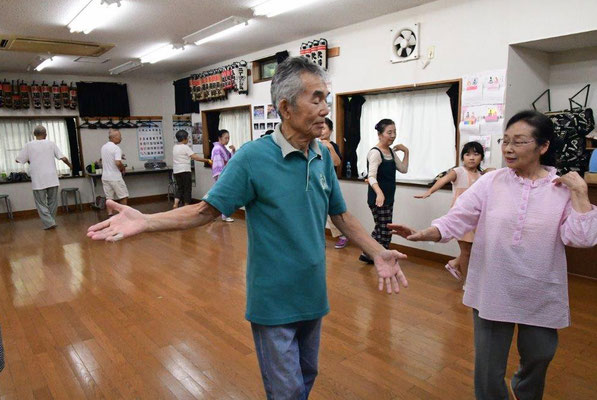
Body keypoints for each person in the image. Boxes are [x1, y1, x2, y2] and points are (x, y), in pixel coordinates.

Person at [87, 56, 408, 400]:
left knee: (307, 375)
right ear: (285, 107)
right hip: (273, 301)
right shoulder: (253, 158)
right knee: (286, 391)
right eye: (316, 99)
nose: (326, 108)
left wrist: (377, 251)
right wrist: (146, 220)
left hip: (313, 292)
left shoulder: (319, 156)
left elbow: (341, 215)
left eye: (326, 98)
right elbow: (204, 212)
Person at [390, 110, 597, 400]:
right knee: (488, 367)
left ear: (544, 146)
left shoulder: (562, 188)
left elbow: (581, 238)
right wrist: (426, 232)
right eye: (505, 141)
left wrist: (581, 194)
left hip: (540, 289)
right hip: (493, 285)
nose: (509, 148)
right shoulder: (491, 181)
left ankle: (524, 390)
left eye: (519, 141)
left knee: (540, 355)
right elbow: (458, 217)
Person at [414, 141, 492, 287]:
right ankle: (467, 283)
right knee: (466, 250)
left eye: (476, 154)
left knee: (474, 249)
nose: (471, 158)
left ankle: (454, 263)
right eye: (468, 154)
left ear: (481, 157)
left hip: (477, 219)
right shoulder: (458, 172)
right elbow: (443, 180)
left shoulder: (482, 176)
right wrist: (429, 192)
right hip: (461, 218)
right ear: (463, 157)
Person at [359, 119, 409, 264]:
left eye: (394, 132)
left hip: (389, 197)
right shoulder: (375, 153)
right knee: (385, 229)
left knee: (381, 228)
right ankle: (383, 257)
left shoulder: (391, 152)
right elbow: (371, 176)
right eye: (389, 132)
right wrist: (379, 193)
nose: (393, 135)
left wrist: (406, 152)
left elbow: (403, 169)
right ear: (380, 134)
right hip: (377, 198)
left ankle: (367, 254)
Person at [15, 125, 72, 229]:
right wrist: (71, 166)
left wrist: (31, 160)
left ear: (34, 134)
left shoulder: (29, 145)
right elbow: (63, 158)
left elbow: (18, 160)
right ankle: (51, 221)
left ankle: (49, 222)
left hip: (38, 179)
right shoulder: (51, 143)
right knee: (53, 201)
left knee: (41, 203)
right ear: (45, 134)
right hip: (52, 177)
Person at [320, 117, 348, 249]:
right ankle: (318, 239)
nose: (321, 130)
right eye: (319, 126)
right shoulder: (312, 144)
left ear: (330, 130)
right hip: (315, 182)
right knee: (317, 212)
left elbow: (337, 163)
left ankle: (343, 235)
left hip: (329, 183)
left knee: (334, 212)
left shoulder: (333, 146)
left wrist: (330, 147)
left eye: (324, 127)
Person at [172, 129, 212, 209]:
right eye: (187, 138)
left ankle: (175, 204)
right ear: (184, 138)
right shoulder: (185, 147)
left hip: (176, 171)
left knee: (180, 188)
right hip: (185, 170)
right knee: (187, 188)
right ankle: (186, 207)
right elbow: (195, 157)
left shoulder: (175, 147)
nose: (188, 139)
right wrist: (207, 160)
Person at [101, 129, 128, 216]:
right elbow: (117, 162)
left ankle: (110, 215)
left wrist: (120, 156)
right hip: (115, 177)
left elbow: (107, 158)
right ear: (113, 137)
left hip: (105, 177)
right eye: (119, 137)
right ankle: (124, 215)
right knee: (123, 196)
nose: (121, 138)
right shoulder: (116, 148)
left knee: (109, 198)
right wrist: (122, 168)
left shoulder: (103, 147)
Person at [211, 129, 236, 222]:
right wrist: (222, 175)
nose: (227, 140)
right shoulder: (217, 149)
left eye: (228, 138)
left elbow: (230, 159)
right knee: (222, 195)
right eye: (226, 138)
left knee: (221, 195)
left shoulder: (222, 148)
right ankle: (221, 215)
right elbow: (218, 164)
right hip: (221, 174)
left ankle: (223, 215)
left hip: (224, 173)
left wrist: (233, 150)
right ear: (220, 138)